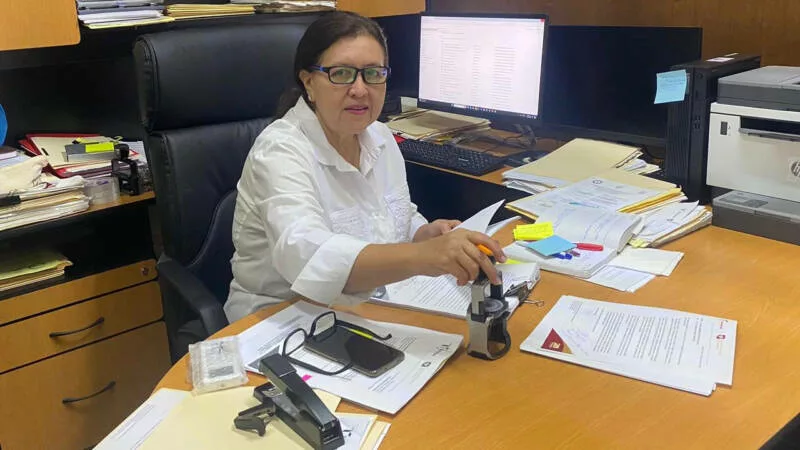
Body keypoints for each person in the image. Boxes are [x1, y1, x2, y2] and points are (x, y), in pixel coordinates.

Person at [225, 11, 506, 323]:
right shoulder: (279, 150)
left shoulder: (380, 137)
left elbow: (392, 216)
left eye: (373, 73)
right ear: (308, 82)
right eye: (341, 73)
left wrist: (423, 234)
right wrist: (424, 256)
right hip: (281, 320)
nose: (360, 89)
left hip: (368, 308)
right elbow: (308, 255)